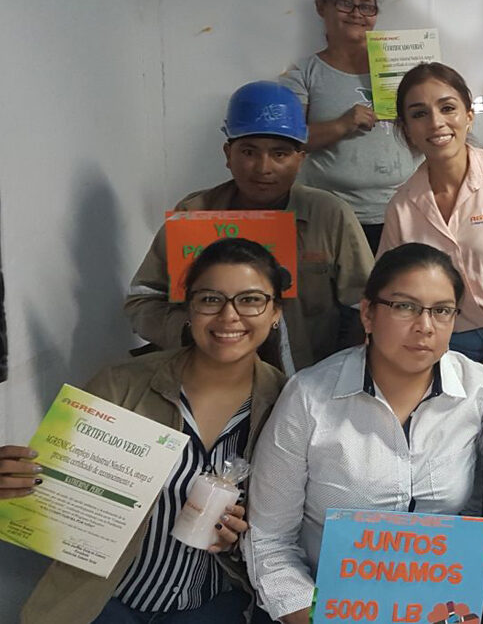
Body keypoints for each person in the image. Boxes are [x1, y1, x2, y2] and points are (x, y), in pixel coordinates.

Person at [17, 238, 290, 623]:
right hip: (103, 601)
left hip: (210, 604)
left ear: (275, 311)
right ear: (188, 310)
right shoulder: (119, 386)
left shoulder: (288, 405)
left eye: (250, 300)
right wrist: (20, 485)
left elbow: (288, 534)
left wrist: (237, 542)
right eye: (210, 299)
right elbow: (50, 505)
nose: (229, 316)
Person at [245, 243, 483, 624]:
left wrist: (478, 555)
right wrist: (316, 617)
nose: (424, 326)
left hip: (439, 611)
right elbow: (269, 540)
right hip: (323, 608)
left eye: (442, 311)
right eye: (404, 306)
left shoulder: (480, 393)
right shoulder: (309, 397)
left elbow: (478, 513)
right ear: (367, 313)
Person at [124, 80, 374, 375]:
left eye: (280, 154)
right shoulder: (194, 215)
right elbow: (143, 300)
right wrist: (193, 331)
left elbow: (367, 307)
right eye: (249, 152)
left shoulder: (329, 215)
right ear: (228, 154)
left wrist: (337, 375)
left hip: (307, 382)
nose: (263, 168)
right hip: (210, 378)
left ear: (299, 159)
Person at [378, 63, 483, 375]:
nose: (436, 122)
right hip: (440, 345)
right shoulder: (401, 206)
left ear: (469, 116)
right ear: (406, 129)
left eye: (448, 108)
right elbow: (392, 292)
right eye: (419, 114)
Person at [279, 0, 418, 255]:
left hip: (405, 211)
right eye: (346, 3)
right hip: (332, 214)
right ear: (322, 6)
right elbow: (287, 141)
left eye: (367, 6)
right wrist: (344, 124)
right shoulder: (303, 72)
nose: (357, 14)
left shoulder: (402, 69)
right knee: (339, 298)